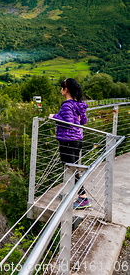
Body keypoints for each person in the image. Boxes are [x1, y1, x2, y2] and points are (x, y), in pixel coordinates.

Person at [49, 78, 90, 209]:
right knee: (71, 168)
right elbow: (83, 121)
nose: (60, 90)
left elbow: (67, 122)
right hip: (78, 140)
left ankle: (83, 198)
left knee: (71, 170)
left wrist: (53, 116)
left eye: (61, 88)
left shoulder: (67, 105)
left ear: (65, 90)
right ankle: (67, 193)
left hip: (68, 141)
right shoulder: (79, 104)